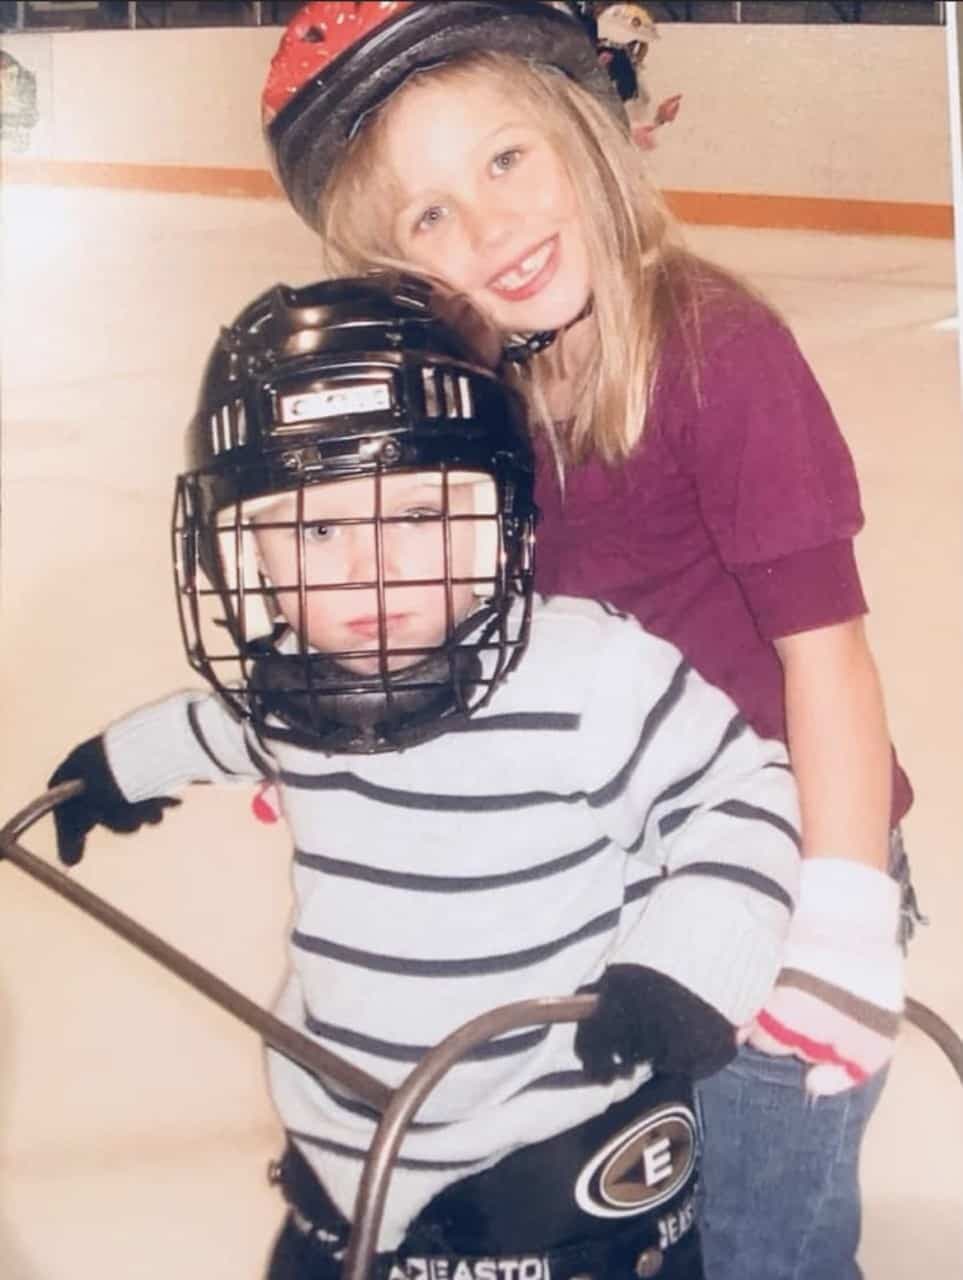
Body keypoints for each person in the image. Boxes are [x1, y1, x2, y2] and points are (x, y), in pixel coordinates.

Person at [258, 4, 915, 1277]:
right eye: (430, 214)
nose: (490, 228)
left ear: (582, 133)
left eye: (505, 160)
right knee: (630, 1203)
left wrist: (834, 915)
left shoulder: (719, 356)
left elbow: (826, 657)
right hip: (617, 870)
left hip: (785, 855)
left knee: (761, 1223)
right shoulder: (477, 400)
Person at [48, 273, 801, 1280]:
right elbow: (233, 728)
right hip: (345, 1148)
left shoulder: (590, 674)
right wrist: (118, 765)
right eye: (315, 530)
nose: (372, 571)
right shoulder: (305, 689)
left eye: (419, 513)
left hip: (554, 1159)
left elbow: (743, 794)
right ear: (247, 548)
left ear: (502, 510)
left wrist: (690, 958)